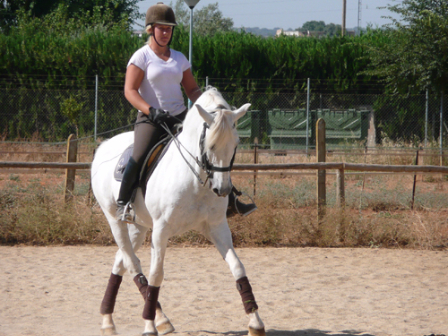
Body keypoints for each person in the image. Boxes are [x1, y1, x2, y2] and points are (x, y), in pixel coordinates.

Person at [116, 2, 256, 222]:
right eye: (161, 28)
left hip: (180, 116)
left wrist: (209, 108)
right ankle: (123, 204)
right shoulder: (141, 57)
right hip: (151, 120)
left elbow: (192, 89)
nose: (165, 33)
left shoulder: (179, 58)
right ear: (150, 29)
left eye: (169, 29)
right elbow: (130, 91)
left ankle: (230, 200)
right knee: (139, 154)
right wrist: (151, 111)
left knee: (214, 147)